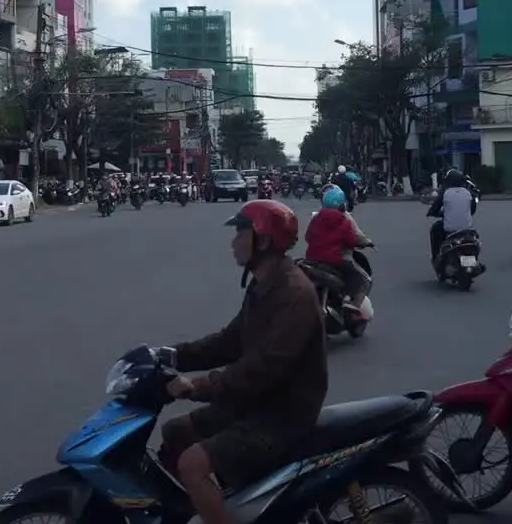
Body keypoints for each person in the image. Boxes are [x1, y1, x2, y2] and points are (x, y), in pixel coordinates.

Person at [159, 200, 326, 524]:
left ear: (262, 240)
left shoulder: (295, 294)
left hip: (282, 415)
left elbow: (263, 369)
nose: (234, 241)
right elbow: (230, 340)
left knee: (192, 465)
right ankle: (219, 507)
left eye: (240, 232)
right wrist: (171, 355)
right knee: (175, 432)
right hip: (256, 404)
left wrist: (198, 385)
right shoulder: (263, 285)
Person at [305, 185, 372, 311]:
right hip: (337, 261)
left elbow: (308, 237)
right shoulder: (344, 220)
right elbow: (352, 241)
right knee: (365, 279)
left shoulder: (315, 218)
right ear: (342, 204)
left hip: (312, 260)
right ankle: (353, 305)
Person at [428, 168, 477, 261]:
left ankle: (436, 257)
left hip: (450, 229)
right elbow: (472, 210)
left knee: (435, 228)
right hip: (467, 229)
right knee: (476, 237)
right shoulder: (468, 193)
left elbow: (434, 209)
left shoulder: (445, 193)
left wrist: (438, 213)